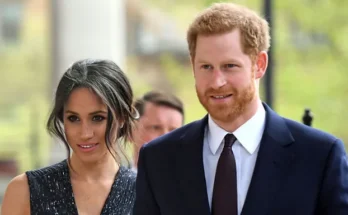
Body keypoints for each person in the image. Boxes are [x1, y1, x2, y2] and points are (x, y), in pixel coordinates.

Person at [133, 2, 348, 215]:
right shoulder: (158, 159)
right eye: (206, 67)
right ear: (193, 66)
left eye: (229, 66)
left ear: (260, 64)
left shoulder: (319, 156)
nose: (217, 81)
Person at [1, 59, 138, 215]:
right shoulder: (24, 191)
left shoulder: (145, 192)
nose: (85, 134)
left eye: (97, 118)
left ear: (122, 118)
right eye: (74, 118)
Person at [132, 90, 184, 168]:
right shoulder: (113, 178)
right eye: (155, 128)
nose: (166, 138)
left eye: (174, 131)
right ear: (130, 130)